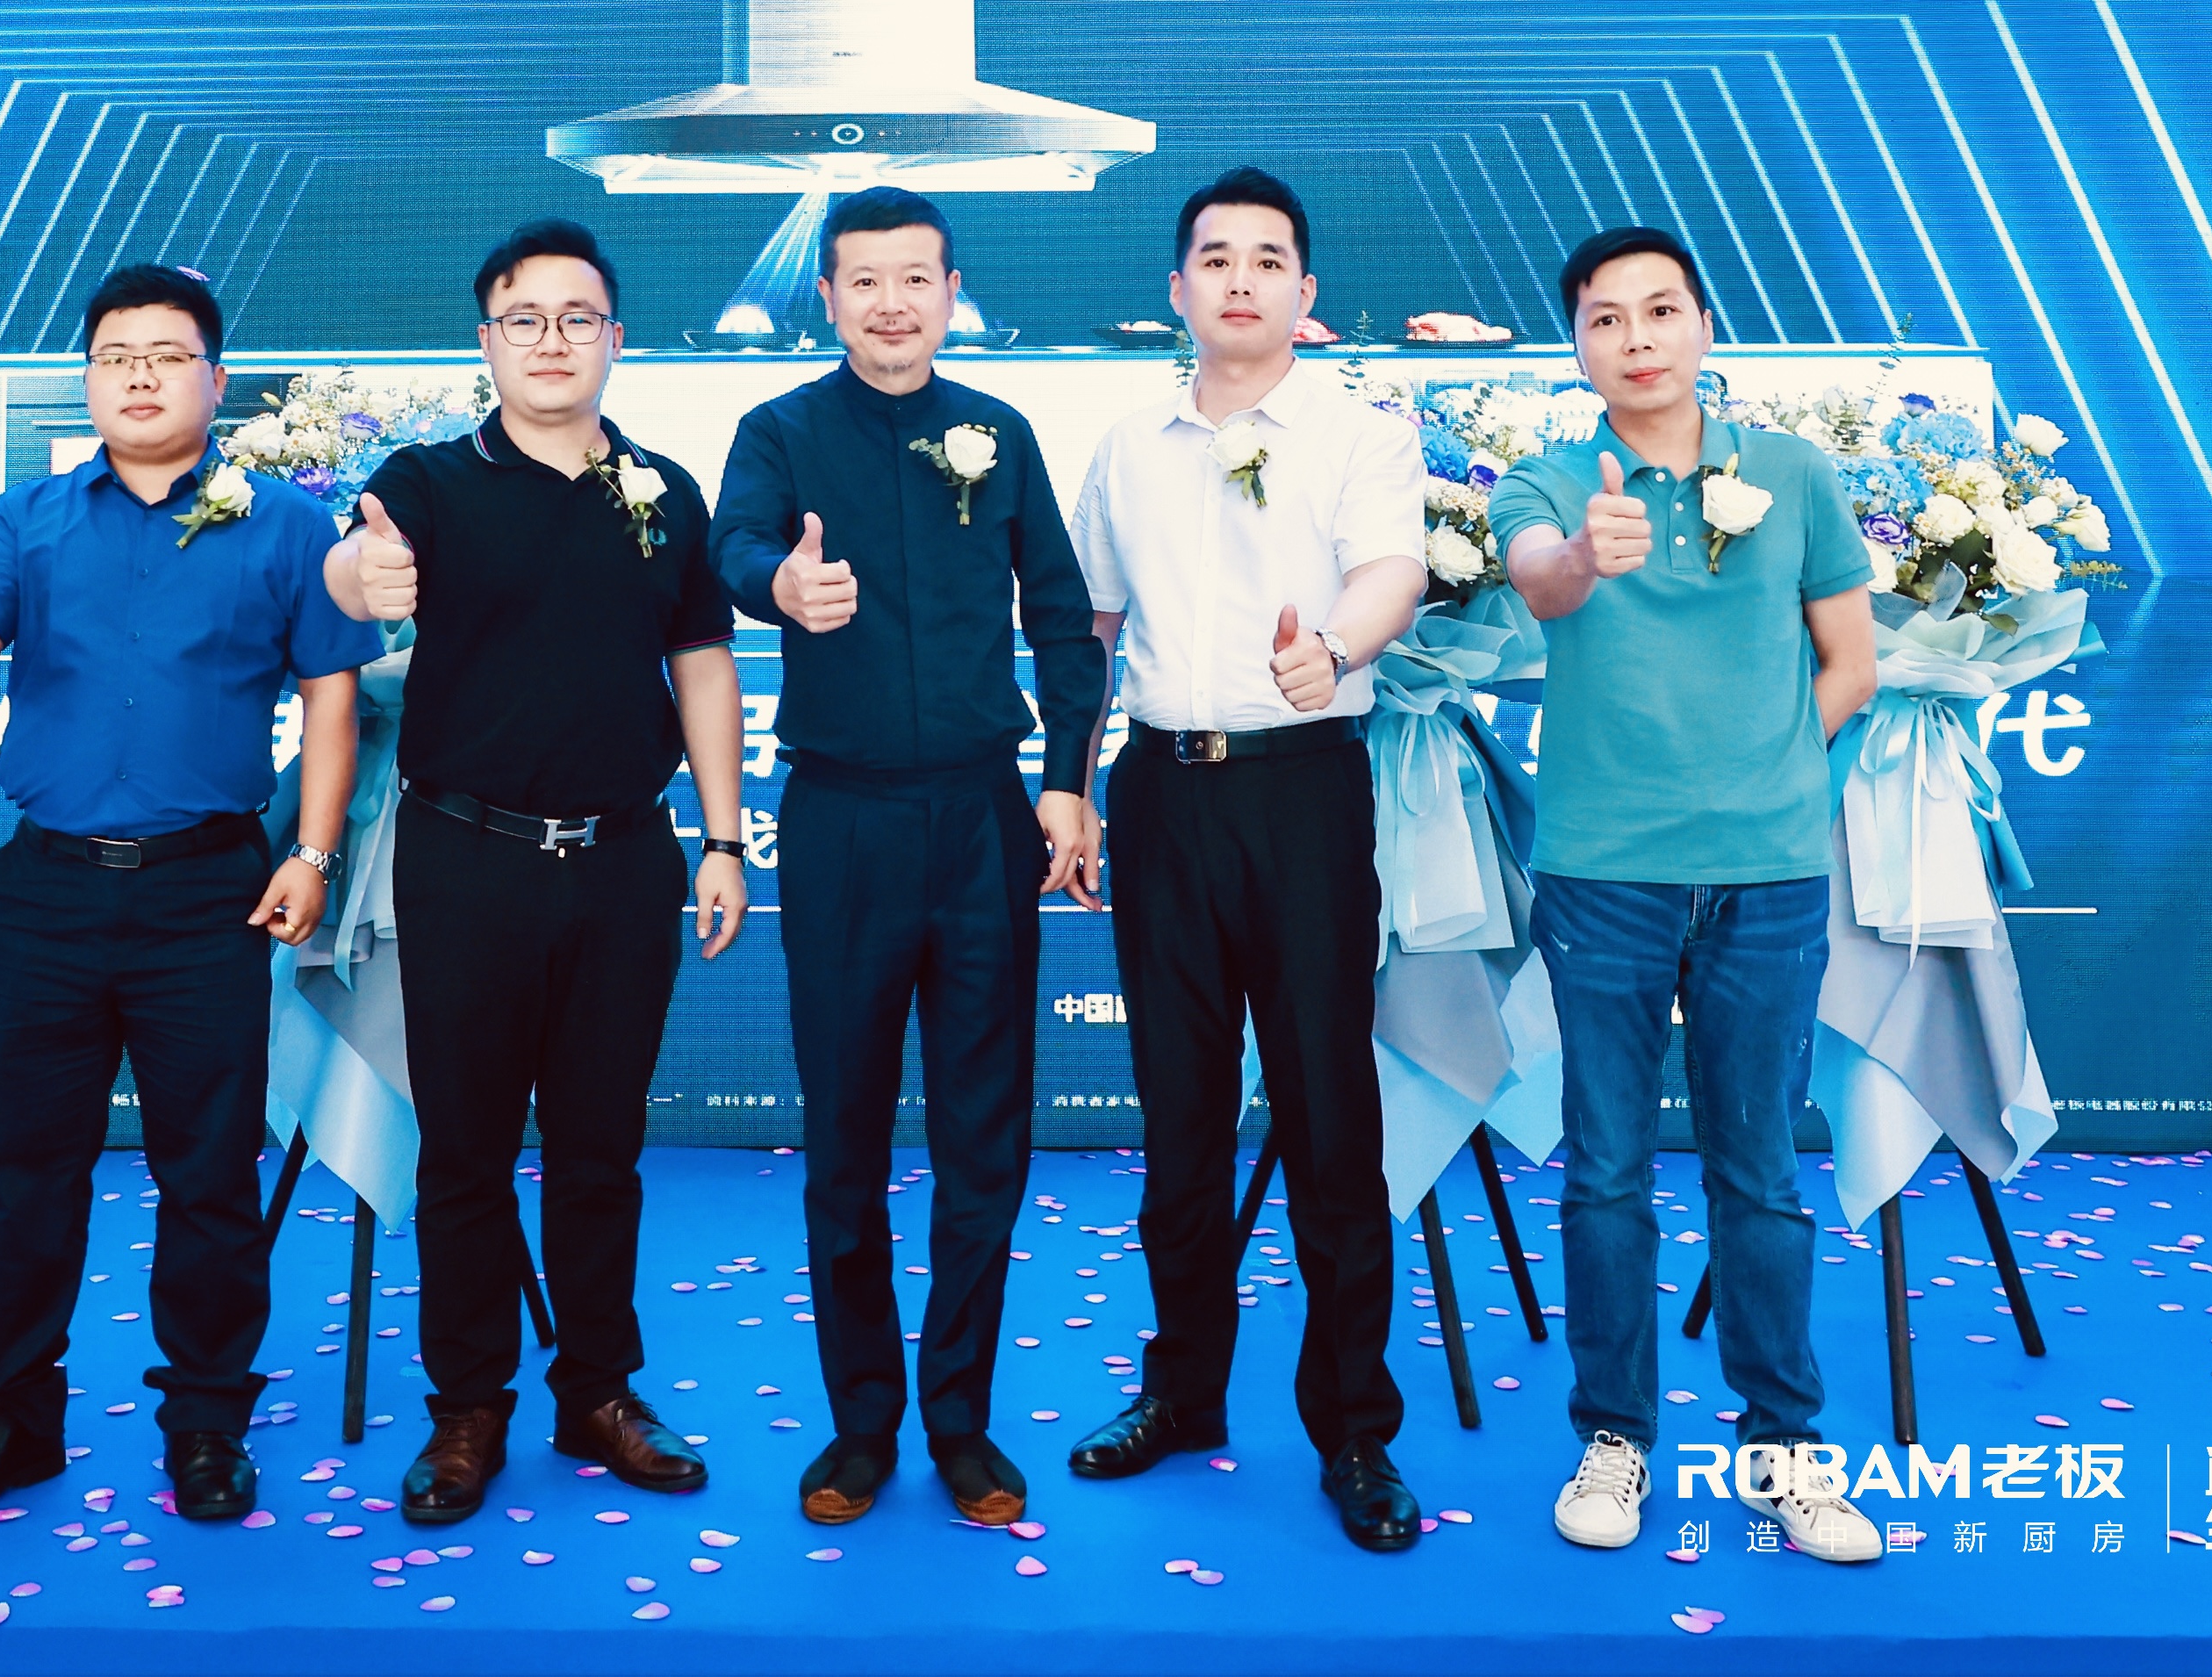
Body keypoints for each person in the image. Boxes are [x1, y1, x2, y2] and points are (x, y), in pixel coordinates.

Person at [0, 263, 370, 1529]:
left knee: (209, 1173)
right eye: (115, 357)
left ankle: (206, 1420)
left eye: (166, 354)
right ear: (89, 380)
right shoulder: (30, 518)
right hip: (48, 894)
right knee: (28, 1170)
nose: (139, 376)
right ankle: (8, 1419)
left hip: (207, 894)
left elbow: (333, 698)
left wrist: (312, 855)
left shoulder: (288, 526)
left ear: (216, 377)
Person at [323, 217, 750, 1525]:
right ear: (487, 341)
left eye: (578, 318)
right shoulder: (427, 481)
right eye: (525, 319)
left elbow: (702, 662)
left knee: (601, 1148)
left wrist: (724, 837)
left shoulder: (664, 490)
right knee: (463, 1149)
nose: (551, 341)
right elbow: (354, 572)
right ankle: (467, 1409)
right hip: (469, 859)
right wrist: (363, 571)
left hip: (624, 862)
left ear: (616, 339)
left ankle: (599, 1390)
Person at [706, 187, 1110, 1530]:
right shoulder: (780, 431)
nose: (892, 302)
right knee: (844, 1135)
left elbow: (1064, 619)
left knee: (985, 1135)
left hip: (983, 818)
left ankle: (962, 1421)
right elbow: (733, 544)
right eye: (865, 280)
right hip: (841, 821)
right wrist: (782, 585)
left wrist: (1066, 780)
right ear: (826, 296)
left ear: (950, 293)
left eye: (916, 278)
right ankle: (861, 1424)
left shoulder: (1000, 432)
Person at [1490, 225, 1885, 1565]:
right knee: (1605, 1168)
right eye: (1606, 318)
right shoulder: (1550, 479)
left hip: (1768, 874)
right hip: (1603, 872)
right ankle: (1616, 1435)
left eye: (1661, 310)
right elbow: (1539, 576)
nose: (1637, 338)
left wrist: (1772, 774)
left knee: (1761, 1171)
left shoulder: (1794, 471)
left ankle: (1785, 1447)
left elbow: (1852, 663)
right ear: (1578, 346)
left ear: (1704, 325)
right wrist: (1585, 554)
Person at [1059, 168, 1430, 1553]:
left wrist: (1332, 645)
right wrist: (1069, 787)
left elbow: (1393, 571)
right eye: (1214, 257)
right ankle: (1183, 1390)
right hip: (1165, 792)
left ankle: (1354, 1428)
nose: (1239, 279)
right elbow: (1092, 630)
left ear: (1305, 292)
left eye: (1268, 259)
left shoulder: (1357, 432)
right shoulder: (1126, 445)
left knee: (1331, 1117)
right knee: (1180, 1115)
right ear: (1177, 289)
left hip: (1303, 789)